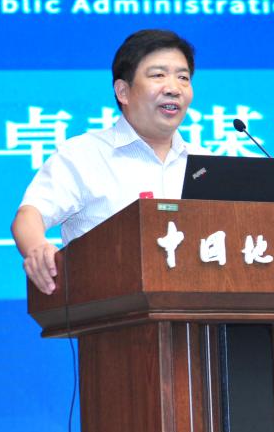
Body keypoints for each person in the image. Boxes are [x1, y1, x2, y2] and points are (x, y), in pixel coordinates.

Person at [11, 29, 208, 295]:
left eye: (183, 77)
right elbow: (29, 215)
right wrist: (37, 249)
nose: (173, 88)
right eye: (158, 75)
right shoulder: (83, 155)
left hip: (200, 310)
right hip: (107, 308)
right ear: (123, 91)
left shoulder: (206, 163)